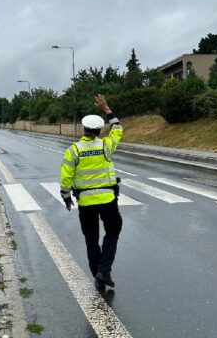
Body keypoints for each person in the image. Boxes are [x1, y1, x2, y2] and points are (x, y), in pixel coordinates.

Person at [60, 94, 123, 290]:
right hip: (107, 199)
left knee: (91, 239)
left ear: (84, 129)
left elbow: (66, 177)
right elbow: (118, 128)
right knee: (113, 230)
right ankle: (103, 271)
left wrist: (66, 197)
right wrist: (106, 108)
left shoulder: (74, 150)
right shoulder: (106, 145)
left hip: (86, 203)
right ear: (99, 130)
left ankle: (98, 274)